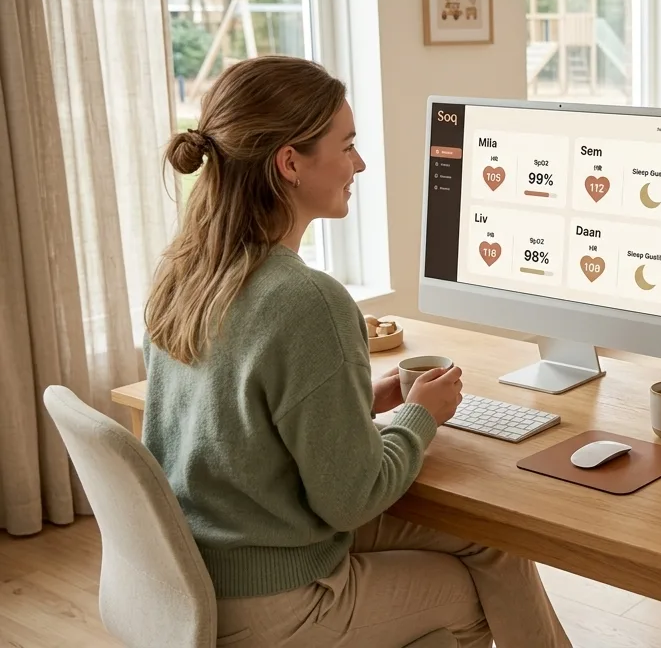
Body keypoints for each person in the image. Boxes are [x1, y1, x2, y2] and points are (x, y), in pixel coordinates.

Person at [141, 56, 571, 647]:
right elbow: (354, 498)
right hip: (278, 600)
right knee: (470, 597)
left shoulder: (186, 271)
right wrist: (421, 417)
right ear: (289, 162)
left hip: (206, 570)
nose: (360, 163)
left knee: (491, 543)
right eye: (346, 146)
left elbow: (240, 422)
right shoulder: (307, 300)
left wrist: (363, 403)